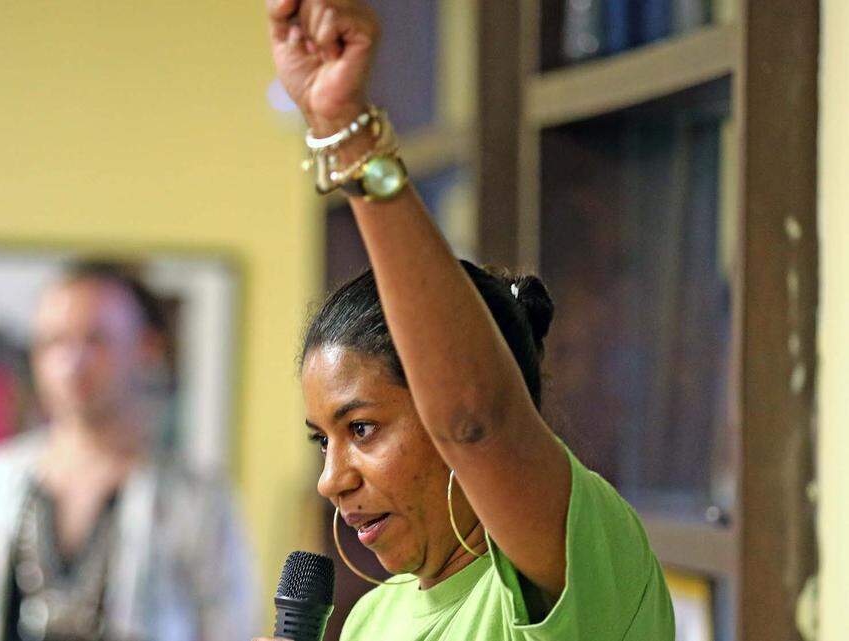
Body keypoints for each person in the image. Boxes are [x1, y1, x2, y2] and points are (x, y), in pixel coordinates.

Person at [255, 1, 675, 639]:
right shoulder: (372, 616)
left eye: (362, 428)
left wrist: (350, 135)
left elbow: (476, 420)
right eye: (324, 439)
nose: (331, 481)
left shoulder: (581, 561)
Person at [0, 261, 257, 641]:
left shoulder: (197, 499)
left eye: (95, 340)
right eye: (53, 342)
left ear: (147, 347)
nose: (72, 363)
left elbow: (230, 628)